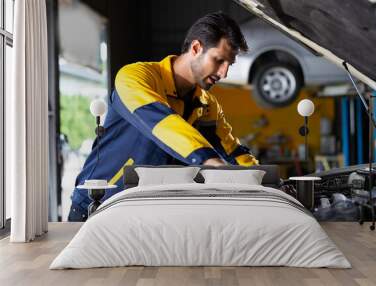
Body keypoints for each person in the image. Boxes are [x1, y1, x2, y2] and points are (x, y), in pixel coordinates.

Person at [68, 11, 259, 222]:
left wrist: (265, 181)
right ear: (196, 48)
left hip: (149, 211)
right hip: (98, 204)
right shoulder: (136, 77)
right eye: (219, 60)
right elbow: (164, 123)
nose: (224, 73)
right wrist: (210, 161)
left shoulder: (207, 104)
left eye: (229, 64)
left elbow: (233, 152)